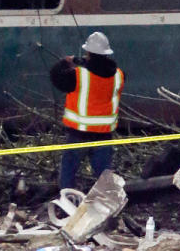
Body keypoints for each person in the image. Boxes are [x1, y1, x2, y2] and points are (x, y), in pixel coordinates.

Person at [50, 31, 125, 191]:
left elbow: (55, 76)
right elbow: (102, 69)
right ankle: (107, 207)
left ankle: (67, 203)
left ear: (88, 53)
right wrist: (86, 62)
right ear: (106, 53)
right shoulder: (119, 75)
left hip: (79, 134)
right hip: (104, 135)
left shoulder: (78, 75)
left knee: (69, 172)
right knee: (104, 177)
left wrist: (65, 62)